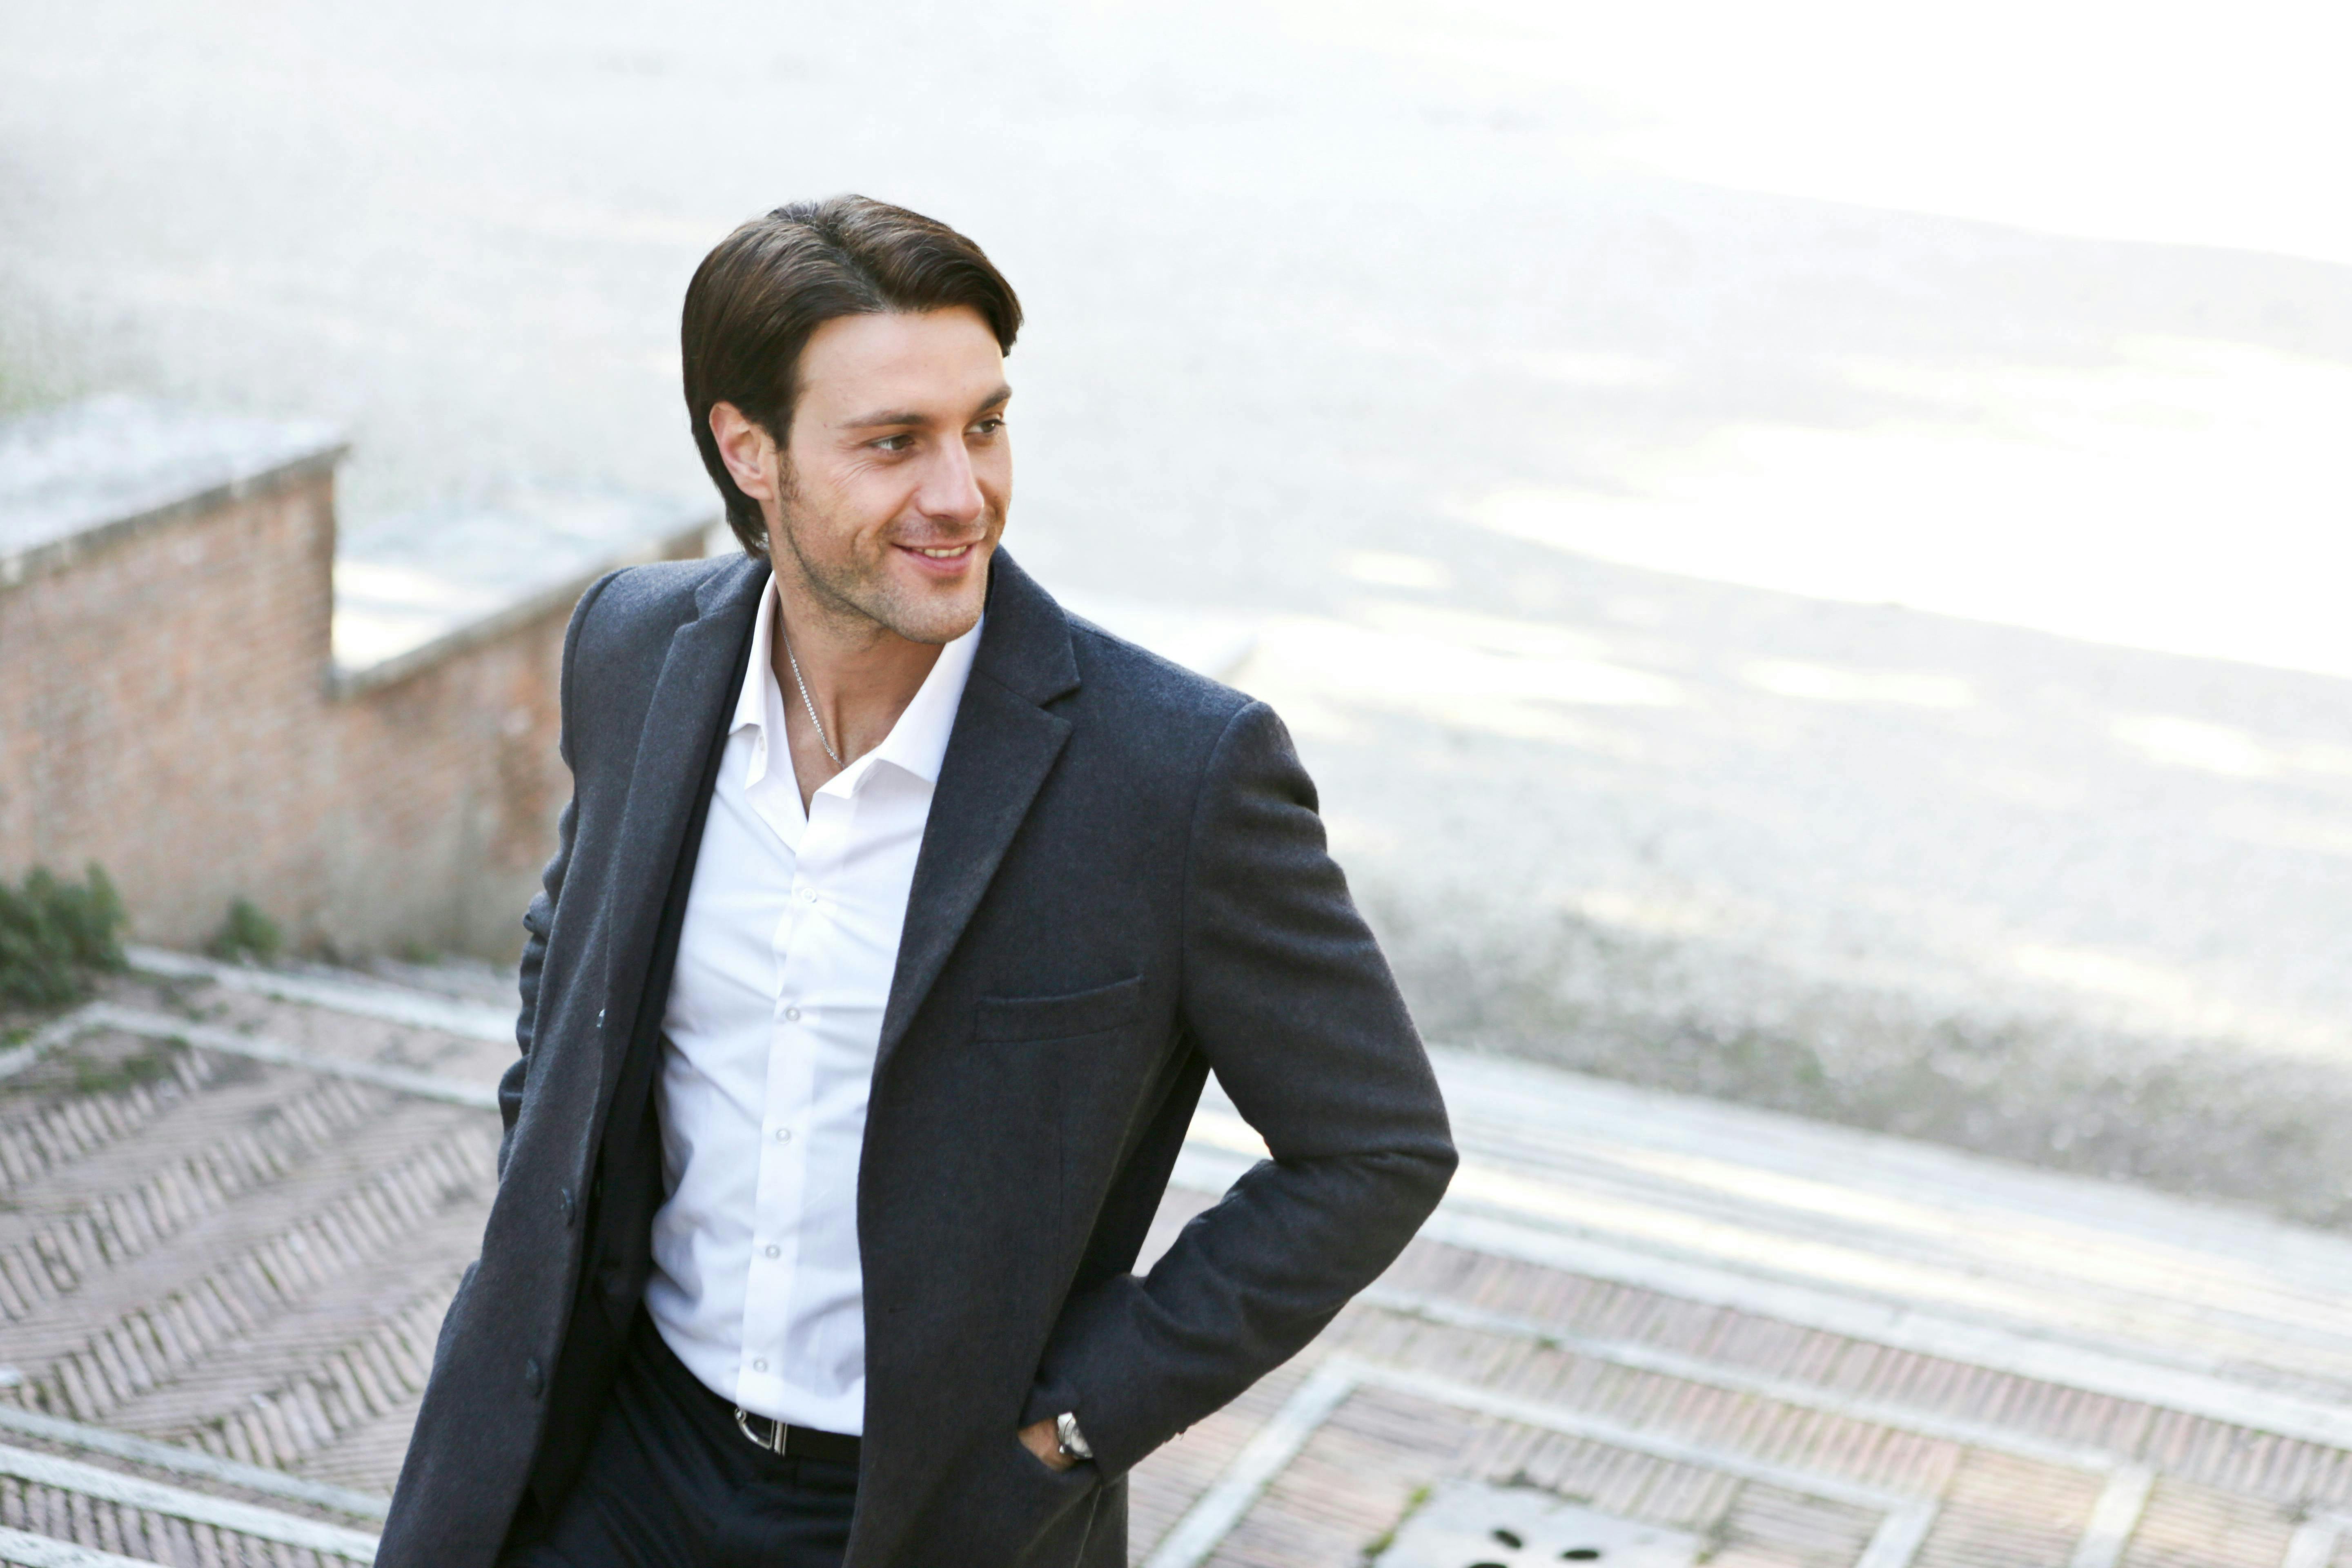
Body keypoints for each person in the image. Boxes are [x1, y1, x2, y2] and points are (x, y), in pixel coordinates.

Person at [377, 195, 1457, 1568]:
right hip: (611, 1459)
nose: (963, 494)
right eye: (895, 444)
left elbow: (1375, 1148)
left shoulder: (1174, 775)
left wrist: (1074, 1427)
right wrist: (548, 1208)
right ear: (747, 449)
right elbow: (569, 949)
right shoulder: (634, 649)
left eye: (985, 425)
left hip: (928, 1516)